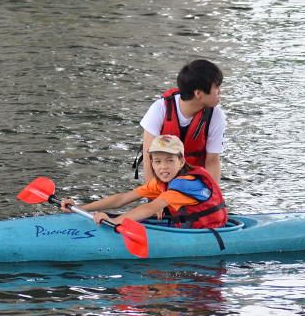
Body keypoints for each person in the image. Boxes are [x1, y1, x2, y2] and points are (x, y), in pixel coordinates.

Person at [62, 135, 227, 230]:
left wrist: (112, 222)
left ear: (181, 162)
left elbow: (149, 209)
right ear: (152, 163)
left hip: (208, 233)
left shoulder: (185, 184)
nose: (163, 167)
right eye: (157, 161)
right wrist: (80, 208)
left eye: (170, 160)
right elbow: (122, 199)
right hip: (190, 230)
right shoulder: (163, 182)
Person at [136, 60, 225, 185]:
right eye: (216, 87)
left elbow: (212, 161)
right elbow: (148, 160)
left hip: (194, 185)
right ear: (198, 93)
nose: (220, 91)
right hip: (161, 182)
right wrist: (158, 199)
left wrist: (211, 196)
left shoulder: (215, 115)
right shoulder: (159, 109)